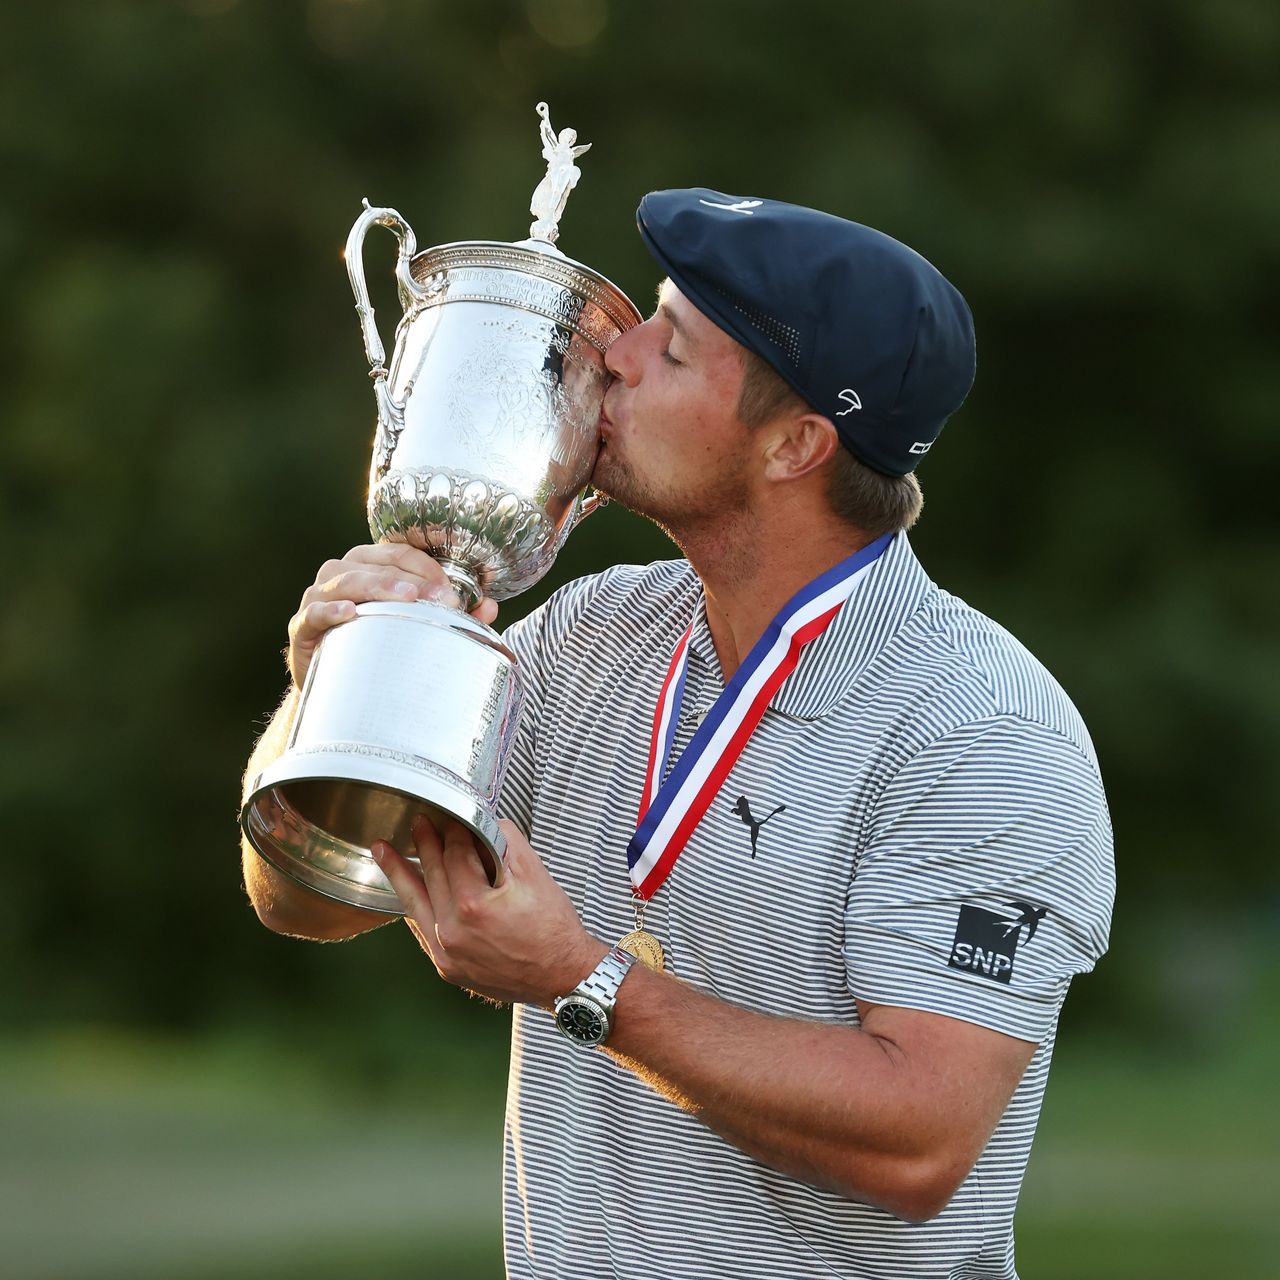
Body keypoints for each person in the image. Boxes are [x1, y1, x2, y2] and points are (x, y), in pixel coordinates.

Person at [242, 188, 1115, 1279]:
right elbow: (308, 895)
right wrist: (329, 689)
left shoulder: (981, 732)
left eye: (674, 344)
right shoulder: (594, 630)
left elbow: (921, 1141)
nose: (614, 352)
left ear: (794, 443)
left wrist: (582, 977)